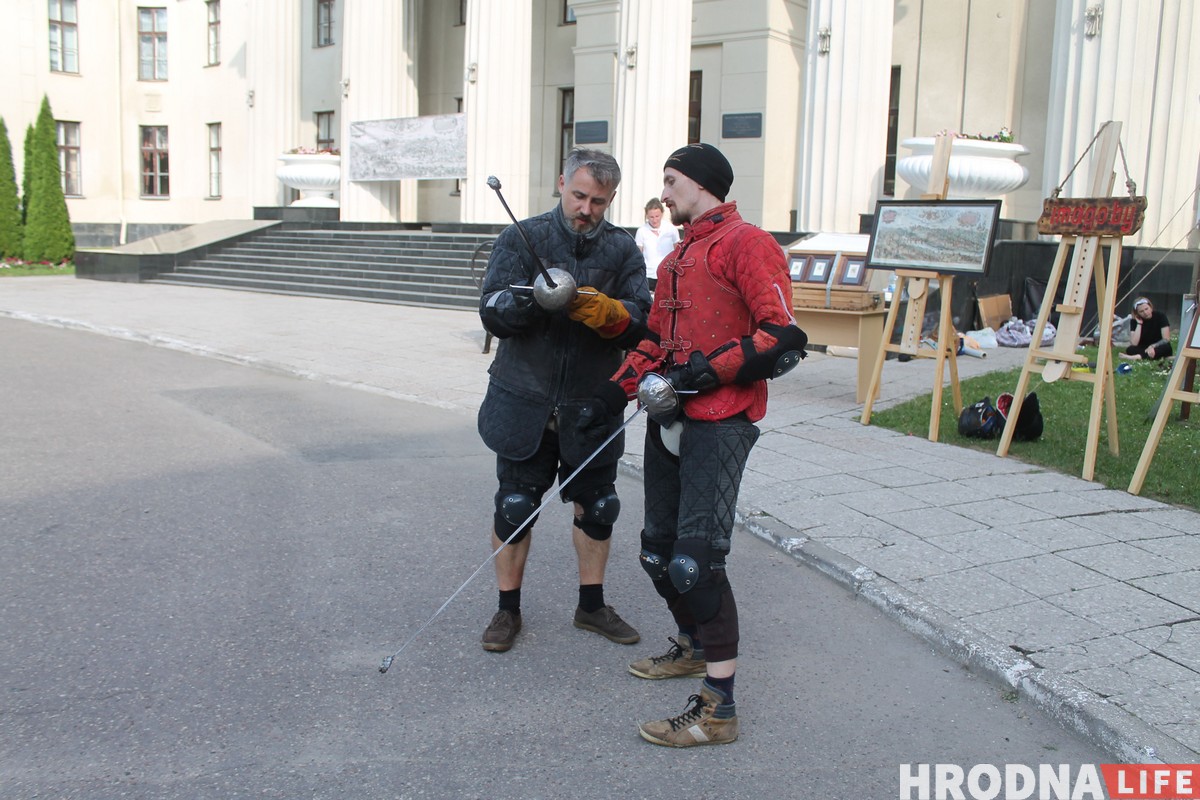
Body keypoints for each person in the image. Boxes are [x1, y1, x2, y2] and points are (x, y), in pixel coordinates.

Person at [578, 143, 808, 747]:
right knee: (657, 552)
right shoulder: (679, 255)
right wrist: (612, 394)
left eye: (672, 180)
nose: (666, 191)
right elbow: (657, 338)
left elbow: (782, 334)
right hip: (668, 418)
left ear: (702, 185)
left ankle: (719, 708)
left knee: (694, 562)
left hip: (722, 418)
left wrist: (701, 373)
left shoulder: (748, 243)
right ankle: (692, 644)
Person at [476, 147, 652, 653]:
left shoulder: (622, 251)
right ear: (561, 183)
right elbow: (490, 311)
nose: (586, 209)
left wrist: (609, 312)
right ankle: (507, 611)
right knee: (514, 507)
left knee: (599, 507)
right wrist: (533, 300)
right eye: (579, 195)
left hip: (591, 404)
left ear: (612, 198)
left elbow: (642, 322)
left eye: (599, 201)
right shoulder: (521, 236)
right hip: (523, 398)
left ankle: (591, 606)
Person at [634, 197, 680, 292]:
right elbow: (638, 255)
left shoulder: (671, 229)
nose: (654, 220)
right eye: (651, 217)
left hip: (667, 274)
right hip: (648, 275)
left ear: (662, 214)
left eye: (657, 216)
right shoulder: (641, 231)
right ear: (647, 216)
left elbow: (678, 252)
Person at [1120, 297, 1172, 361]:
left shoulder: (1161, 316)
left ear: (1150, 307)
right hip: (1144, 347)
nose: (1145, 312)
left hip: (1158, 345)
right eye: (1141, 311)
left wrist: (1153, 346)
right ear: (1137, 313)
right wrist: (1139, 324)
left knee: (1166, 347)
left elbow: (1166, 339)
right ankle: (1151, 356)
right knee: (1130, 349)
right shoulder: (1134, 321)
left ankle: (1136, 357)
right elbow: (1134, 343)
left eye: (1146, 309)